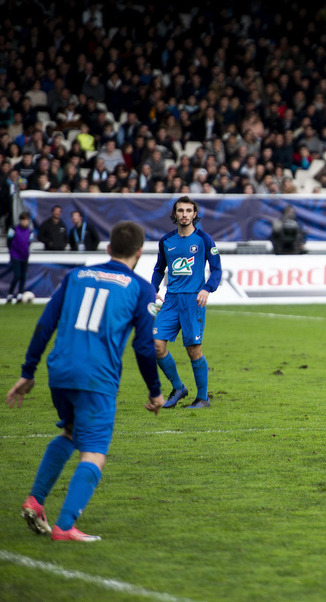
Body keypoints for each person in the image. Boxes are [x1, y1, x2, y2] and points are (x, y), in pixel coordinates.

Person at [6, 221, 164, 542]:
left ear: (107, 249)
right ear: (139, 252)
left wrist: (28, 371)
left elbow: (45, 323)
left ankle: (35, 501)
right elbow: (145, 346)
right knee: (94, 453)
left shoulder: (76, 276)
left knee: (70, 432)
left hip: (59, 371)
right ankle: (65, 526)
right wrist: (155, 391)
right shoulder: (141, 287)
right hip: (96, 376)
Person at [152, 196, 222, 409]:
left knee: (193, 350)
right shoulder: (166, 241)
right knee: (155, 345)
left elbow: (217, 269)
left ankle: (203, 398)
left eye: (188, 210)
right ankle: (179, 387)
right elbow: (158, 269)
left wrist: (207, 288)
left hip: (194, 300)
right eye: (180, 210)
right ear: (175, 214)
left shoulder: (204, 239)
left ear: (194, 214)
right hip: (171, 300)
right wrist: (152, 290)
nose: (184, 214)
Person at [6, 212, 33, 303]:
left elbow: (29, 242)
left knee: (23, 276)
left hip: (25, 256)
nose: (25, 222)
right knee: (17, 275)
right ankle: (10, 294)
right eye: (23, 220)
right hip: (16, 255)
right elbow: (9, 241)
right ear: (20, 220)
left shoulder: (30, 231)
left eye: (26, 220)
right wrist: (12, 252)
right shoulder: (13, 229)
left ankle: (20, 294)